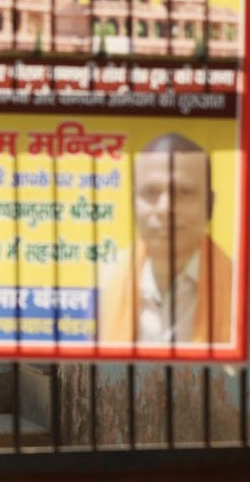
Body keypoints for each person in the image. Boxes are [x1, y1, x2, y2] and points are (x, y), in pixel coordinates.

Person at [99, 133, 233, 344]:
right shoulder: (105, 281)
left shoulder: (239, 290)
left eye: (184, 192)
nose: (165, 208)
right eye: (151, 192)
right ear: (133, 204)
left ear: (210, 205)